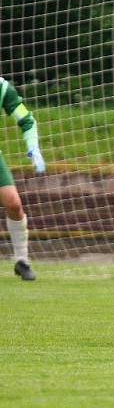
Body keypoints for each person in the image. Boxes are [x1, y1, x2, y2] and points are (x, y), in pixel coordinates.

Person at [0, 76, 45, 280]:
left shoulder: (2, 87)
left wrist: (33, 147)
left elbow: (27, 121)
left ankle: (22, 260)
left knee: (14, 204)